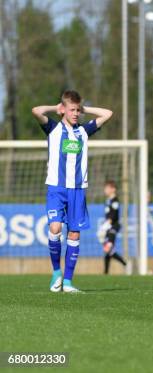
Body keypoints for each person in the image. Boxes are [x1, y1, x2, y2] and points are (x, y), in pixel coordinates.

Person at [32, 90, 113, 293]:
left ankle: (68, 282)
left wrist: (85, 108)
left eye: (78, 110)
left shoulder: (84, 131)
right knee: (56, 228)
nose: (76, 113)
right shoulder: (53, 129)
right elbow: (36, 111)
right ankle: (56, 273)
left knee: (74, 234)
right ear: (63, 110)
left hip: (78, 189)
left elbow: (108, 113)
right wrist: (55, 107)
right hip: (56, 188)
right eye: (72, 109)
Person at [102, 180, 127, 274]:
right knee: (108, 251)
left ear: (113, 189)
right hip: (109, 227)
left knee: (108, 248)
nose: (105, 190)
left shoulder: (115, 200)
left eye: (107, 188)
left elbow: (113, 214)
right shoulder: (108, 201)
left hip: (113, 227)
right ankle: (106, 273)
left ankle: (125, 264)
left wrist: (107, 224)